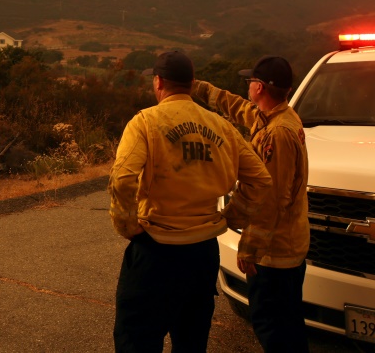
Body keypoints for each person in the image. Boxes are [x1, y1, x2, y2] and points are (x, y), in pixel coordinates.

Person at [109, 50, 272, 353]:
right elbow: (260, 179)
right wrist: (231, 218)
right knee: (191, 341)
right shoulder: (221, 126)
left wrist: (127, 226)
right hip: (202, 255)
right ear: (192, 83)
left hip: (155, 250)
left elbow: (122, 179)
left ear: (158, 82)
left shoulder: (145, 122)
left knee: (137, 340)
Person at [192, 55, 310, 352]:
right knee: (288, 321)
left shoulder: (277, 134)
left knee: (273, 325)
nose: (247, 87)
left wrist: (250, 246)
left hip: (275, 252)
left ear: (260, 87)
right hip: (284, 244)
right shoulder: (277, 116)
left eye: (250, 81)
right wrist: (196, 88)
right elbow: (236, 107)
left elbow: (270, 197)